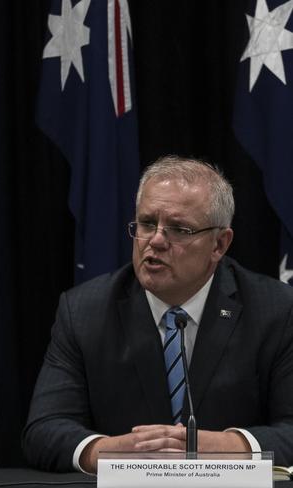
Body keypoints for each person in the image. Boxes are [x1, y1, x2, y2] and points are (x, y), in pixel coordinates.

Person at [22, 155, 293, 473]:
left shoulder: (276, 310)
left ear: (219, 244)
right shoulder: (85, 310)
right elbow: (43, 430)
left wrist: (224, 446)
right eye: (147, 223)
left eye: (179, 229)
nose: (156, 240)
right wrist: (113, 451)